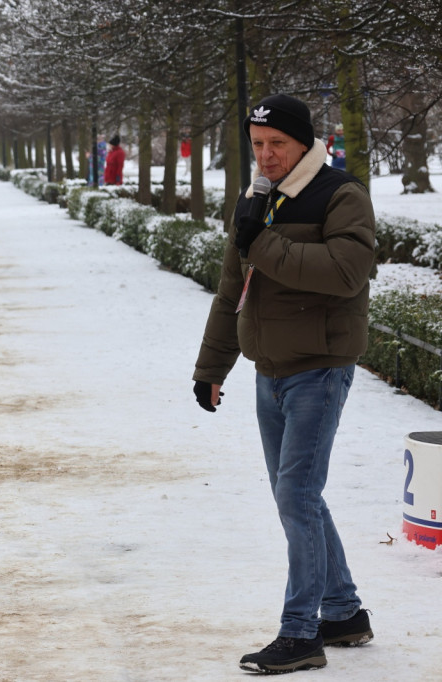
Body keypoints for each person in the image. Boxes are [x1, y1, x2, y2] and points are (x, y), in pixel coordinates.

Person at [191, 93, 375, 674]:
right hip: (267, 372)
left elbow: (345, 274)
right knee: (297, 497)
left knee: (297, 497)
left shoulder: (340, 195)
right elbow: (231, 292)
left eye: (277, 145)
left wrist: (261, 242)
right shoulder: (255, 199)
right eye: (257, 145)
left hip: (318, 370)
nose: (265, 156)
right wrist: (210, 368)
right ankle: (343, 612)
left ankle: (301, 634)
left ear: (304, 144)